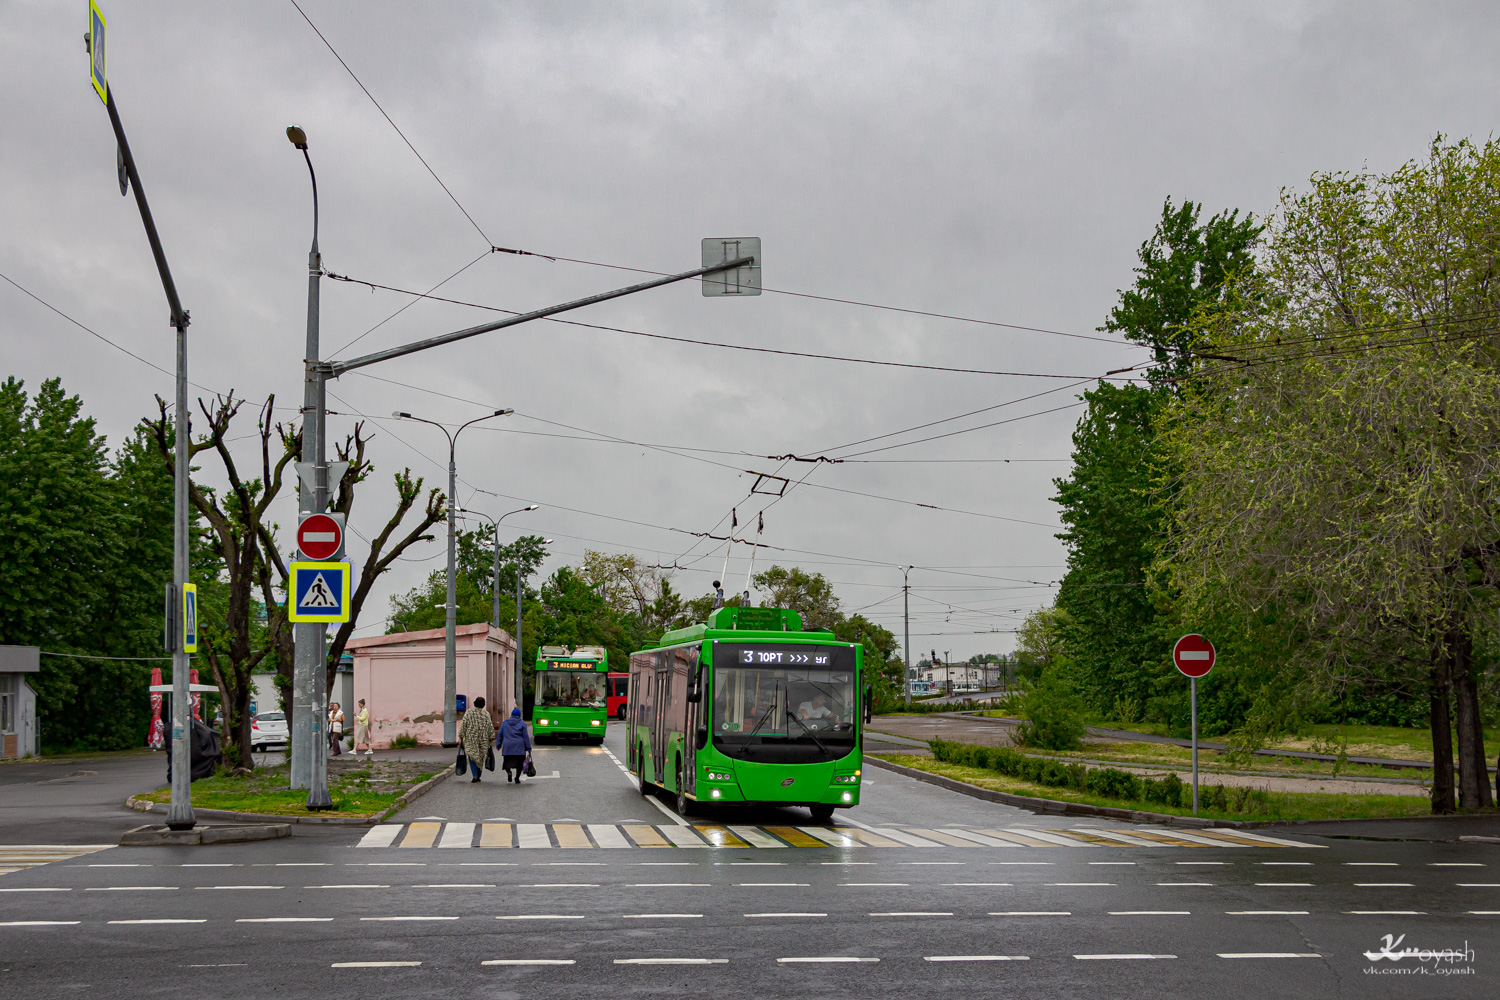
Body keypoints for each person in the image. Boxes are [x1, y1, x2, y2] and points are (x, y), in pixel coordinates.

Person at [458, 696, 495, 783]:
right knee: (481, 756)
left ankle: (475, 775)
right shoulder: (486, 714)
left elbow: (464, 725)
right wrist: (491, 737)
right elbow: (490, 727)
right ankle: (478, 774)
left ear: (475, 703)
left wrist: (461, 735)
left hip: (471, 739)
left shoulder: (469, 713)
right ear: (483, 704)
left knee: (472, 756)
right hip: (483, 739)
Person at [496, 707, 532, 783]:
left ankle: (509, 772)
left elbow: (500, 734)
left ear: (511, 714)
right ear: (519, 715)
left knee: (507, 762)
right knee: (519, 764)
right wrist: (528, 748)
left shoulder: (505, 722)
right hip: (519, 747)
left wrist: (498, 745)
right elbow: (525, 737)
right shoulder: (522, 723)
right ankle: (517, 778)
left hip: (507, 746)